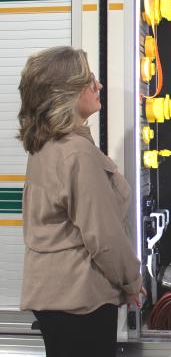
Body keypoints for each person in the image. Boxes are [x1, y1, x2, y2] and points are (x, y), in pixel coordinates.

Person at [17, 46, 144, 357]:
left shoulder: (44, 146)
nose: (98, 85)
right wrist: (132, 282)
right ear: (67, 93)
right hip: (80, 301)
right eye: (89, 80)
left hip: (53, 297)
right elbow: (104, 237)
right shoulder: (76, 153)